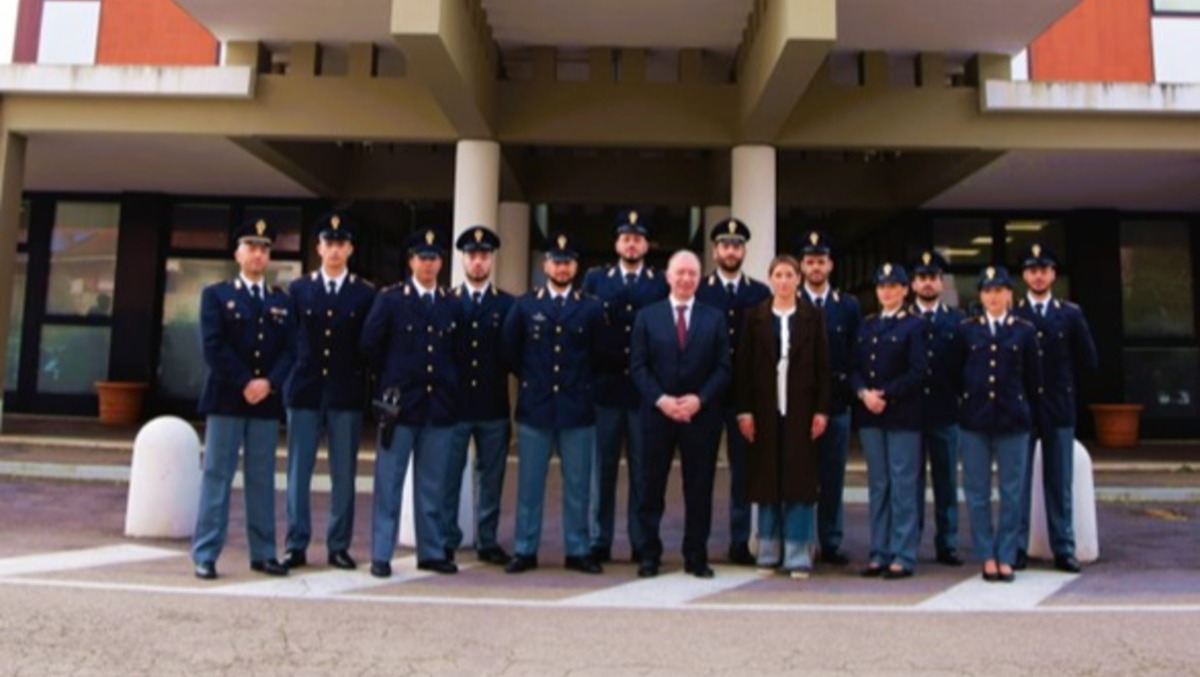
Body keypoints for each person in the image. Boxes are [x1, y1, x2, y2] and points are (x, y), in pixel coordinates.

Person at [191, 218, 295, 580]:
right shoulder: (217, 295)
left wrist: (268, 383)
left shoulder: (282, 300)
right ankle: (205, 554)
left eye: (264, 248)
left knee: (262, 478)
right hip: (227, 399)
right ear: (237, 253)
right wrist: (245, 382)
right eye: (251, 246)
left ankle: (264, 552)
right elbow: (213, 346)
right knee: (217, 477)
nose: (257, 254)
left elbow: (290, 351)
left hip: (265, 401)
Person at [502, 234, 607, 575]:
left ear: (576, 267)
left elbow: (599, 356)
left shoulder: (590, 308)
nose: (562, 268)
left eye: (568, 262)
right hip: (536, 408)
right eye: (556, 262)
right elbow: (510, 352)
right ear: (545, 265)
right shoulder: (525, 305)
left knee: (578, 486)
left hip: (577, 409)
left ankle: (577, 549)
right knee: (530, 485)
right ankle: (524, 548)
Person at [360, 227, 461, 578]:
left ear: (441, 262)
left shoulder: (451, 303)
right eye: (422, 258)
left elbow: (456, 353)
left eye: (434, 259)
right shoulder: (391, 299)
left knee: (432, 486)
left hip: (438, 407)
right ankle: (381, 553)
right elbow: (370, 346)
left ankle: (431, 551)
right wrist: (389, 384)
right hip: (400, 408)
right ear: (411, 261)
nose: (428, 265)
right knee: (389, 483)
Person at [282, 212, 376, 571]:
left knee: (343, 473)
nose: (334, 250)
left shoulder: (364, 294)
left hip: (344, 392)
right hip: (305, 390)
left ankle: (339, 545)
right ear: (318, 247)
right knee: (298, 471)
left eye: (341, 244)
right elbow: (289, 341)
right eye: (329, 243)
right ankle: (296, 543)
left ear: (350, 249)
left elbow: (368, 345)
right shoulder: (299, 289)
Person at [630, 250, 730, 579]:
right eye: (680, 273)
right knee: (650, 486)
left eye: (692, 274)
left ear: (699, 279)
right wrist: (661, 399)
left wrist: (699, 400)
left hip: (700, 417)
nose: (686, 279)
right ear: (668, 277)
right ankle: (649, 554)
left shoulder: (714, 318)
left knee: (699, 489)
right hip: (657, 415)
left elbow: (723, 367)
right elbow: (638, 366)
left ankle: (696, 555)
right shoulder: (648, 316)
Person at [735, 255, 830, 579]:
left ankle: (798, 551)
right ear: (771, 279)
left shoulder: (812, 317)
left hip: (801, 410)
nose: (785, 280)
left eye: (790, 274)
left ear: (798, 279)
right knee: (766, 479)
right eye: (779, 274)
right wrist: (744, 410)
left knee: (799, 482)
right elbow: (743, 368)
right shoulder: (756, 316)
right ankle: (768, 548)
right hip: (765, 409)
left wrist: (821, 409)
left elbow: (823, 366)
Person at [582, 210, 668, 564]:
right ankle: (600, 539)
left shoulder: (659, 283)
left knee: (643, 473)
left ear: (646, 245)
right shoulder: (595, 280)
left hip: (643, 395)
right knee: (601, 472)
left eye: (638, 238)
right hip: (604, 392)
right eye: (625, 237)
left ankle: (641, 540)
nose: (631, 243)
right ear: (616, 243)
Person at [1013, 243, 1097, 573]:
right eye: (1032, 270)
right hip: (1022, 409)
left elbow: (1088, 359)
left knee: (1059, 481)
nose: (1037, 276)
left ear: (1053, 274)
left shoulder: (1070, 314)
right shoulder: (1016, 314)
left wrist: (1067, 389)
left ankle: (1064, 547)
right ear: (1024, 275)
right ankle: (1016, 547)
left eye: (1043, 270)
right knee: (1018, 482)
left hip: (1059, 408)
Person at [957, 266, 1042, 583]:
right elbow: (956, 375)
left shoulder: (1024, 331)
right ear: (980, 295)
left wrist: (1030, 415)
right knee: (977, 492)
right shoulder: (968, 330)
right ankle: (986, 555)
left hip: (1012, 420)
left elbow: (1034, 379)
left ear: (1009, 294)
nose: (993, 296)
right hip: (975, 420)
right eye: (988, 291)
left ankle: (1007, 554)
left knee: (1012, 492)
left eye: (999, 290)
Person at [695, 217, 771, 566]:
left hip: (744, 398)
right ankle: (698, 541)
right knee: (702, 471)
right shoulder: (701, 291)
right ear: (715, 250)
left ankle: (739, 541)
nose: (731, 250)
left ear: (744, 250)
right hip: (707, 395)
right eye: (725, 245)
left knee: (743, 473)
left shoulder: (759, 294)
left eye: (737, 245)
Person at [443, 225, 516, 566]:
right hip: (454, 407)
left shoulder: (507, 304)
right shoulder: (447, 302)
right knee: (449, 475)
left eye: (483, 255)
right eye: (472, 255)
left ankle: (487, 539)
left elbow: (516, 355)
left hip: (492, 406)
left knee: (491, 477)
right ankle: (447, 537)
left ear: (491, 260)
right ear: (463, 259)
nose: (477, 261)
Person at [852, 263, 928, 579]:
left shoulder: (915, 325)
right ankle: (879, 551)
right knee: (878, 484)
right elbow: (853, 365)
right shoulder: (867, 325)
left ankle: (903, 553)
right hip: (870, 414)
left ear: (904, 289)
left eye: (893, 286)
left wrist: (885, 393)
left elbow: (919, 371)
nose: (886, 291)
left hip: (901, 414)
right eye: (882, 286)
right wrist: (862, 392)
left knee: (903, 485)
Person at [797, 230, 860, 565]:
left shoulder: (847, 306)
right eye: (809, 261)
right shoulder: (790, 302)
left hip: (835, 405)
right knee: (803, 477)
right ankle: (803, 540)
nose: (815, 267)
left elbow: (854, 355)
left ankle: (831, 541)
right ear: (802, 266)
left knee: (833, 478)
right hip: (800, 406)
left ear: (830, 265)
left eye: (821, 261)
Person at [909, 250, 966, 567]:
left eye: (932, 278)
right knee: (911, 483)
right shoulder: (904, 318)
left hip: (945, 412)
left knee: (946, 483)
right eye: (922, 278)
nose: (927, 283)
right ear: (913, 283)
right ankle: (911, 542)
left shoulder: (956, 321)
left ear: (941, 283)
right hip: (912, 414)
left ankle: (948, 543)